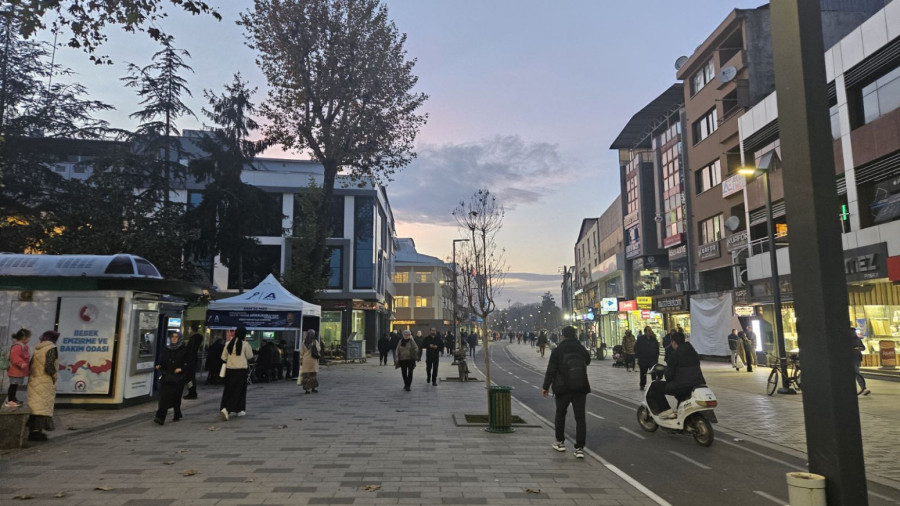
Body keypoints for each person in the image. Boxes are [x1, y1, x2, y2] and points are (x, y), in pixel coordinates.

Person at [541, 326, 591, 459]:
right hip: (580, 387)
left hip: (562, 387)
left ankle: (560, 442)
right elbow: (588, 361)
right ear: (574, 335)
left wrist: (545, 386)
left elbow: (551, 370)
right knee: (580, 417)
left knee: (560, 414)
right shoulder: (580, 348)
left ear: (563, 335)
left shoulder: (558, 350)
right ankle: (580, 448)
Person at [649, 332, 705, 419]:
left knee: (655, 386)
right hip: (698, 384)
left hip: (681, 385)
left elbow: (668, 376)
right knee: (680, 393)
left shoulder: (675, 355)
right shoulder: (694, 353)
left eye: (671, 342)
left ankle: (666, 410)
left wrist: (666, 373)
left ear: (674, 342)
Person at [26, 330, 60, 441]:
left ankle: (32, 430)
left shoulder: (38, 348)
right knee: (42, 407)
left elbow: (31, 365)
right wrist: (54, 375)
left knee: (35, 407)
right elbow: (49, 365)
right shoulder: (51, 348)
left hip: (34, 380)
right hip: (45, 381)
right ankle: (37, 433)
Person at [154, 331, 189, 425]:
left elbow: (189, 362)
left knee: (176, 396)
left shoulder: (184, 350)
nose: (174, 338)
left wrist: (181, 368)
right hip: (167, 376)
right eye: (172, 336)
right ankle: (160, 416)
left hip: (178, 377)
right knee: (164, 396)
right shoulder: (167, 349)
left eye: (176, 337)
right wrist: (159, 365)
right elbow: (162, 360)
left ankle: (177, 412)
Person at [219, 327, 253, 421]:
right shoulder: (245, 344)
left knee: (229, 390)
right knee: (240, 391)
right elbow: (250, 356)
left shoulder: (228, 344)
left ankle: (225, 407)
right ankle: (238, 409)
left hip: (230, 371)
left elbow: (223, 357)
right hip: (241, 371)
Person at [4, 328, 31, 408]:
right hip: (15, 370)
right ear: (23, 337)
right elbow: (14, 357)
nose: (29, 339)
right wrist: (21, 363)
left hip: (17, 371)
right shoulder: (18, 346)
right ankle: (10, 401)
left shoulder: (21, 345)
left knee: (15, 385)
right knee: (13, 385)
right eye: (28, 337)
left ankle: (13, 399)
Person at [635, 326, 659, 391]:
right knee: (643, 373)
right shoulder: (640, 339)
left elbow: (657, 348)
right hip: (643, 359)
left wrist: (656, 357)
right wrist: (638, 356)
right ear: (645, 332)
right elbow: (636, 348)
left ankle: (654, 385)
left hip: (652, 359)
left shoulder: (654, 339)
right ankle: (642, 385)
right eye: (648, 331)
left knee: (654, 373)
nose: (650, 332)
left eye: (650, 330)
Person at [183, 325, 203, 399]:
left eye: (189, 329)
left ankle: (191, 392)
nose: (188, 331)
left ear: (192, 330)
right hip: (194, 359)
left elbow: (189, 350)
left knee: (189, 379)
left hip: (190, 360)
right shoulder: (199, 337)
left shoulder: (192, 339)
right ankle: (192, 391)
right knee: (191, 377)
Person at [850, 323, 870, 396]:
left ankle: (863, 388)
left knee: (856, 372)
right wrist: (858, 349)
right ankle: (863, 388)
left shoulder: (846, 338)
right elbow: (863, 347)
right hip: (857, 355)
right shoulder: (857, 338)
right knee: (856, 371)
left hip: (851, 356)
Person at [300, 329, 320, 394]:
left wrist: (301, 360)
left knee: (306, 375)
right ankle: (313, 388)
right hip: (313, 360)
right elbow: (319, 349)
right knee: (313, 375)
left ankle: (307, 389)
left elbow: (302, 352)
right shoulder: (314, 342)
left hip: (305, 360)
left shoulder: (304, 342)